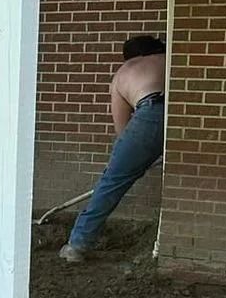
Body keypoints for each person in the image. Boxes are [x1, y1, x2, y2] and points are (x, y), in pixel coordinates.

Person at [60, 35, 166, 262]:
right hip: (189, 111)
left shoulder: (124, 72)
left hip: (150, 112)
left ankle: (77, 244)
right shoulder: (174, 59)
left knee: (112, 181)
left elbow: (122, 132)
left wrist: (136, 158)